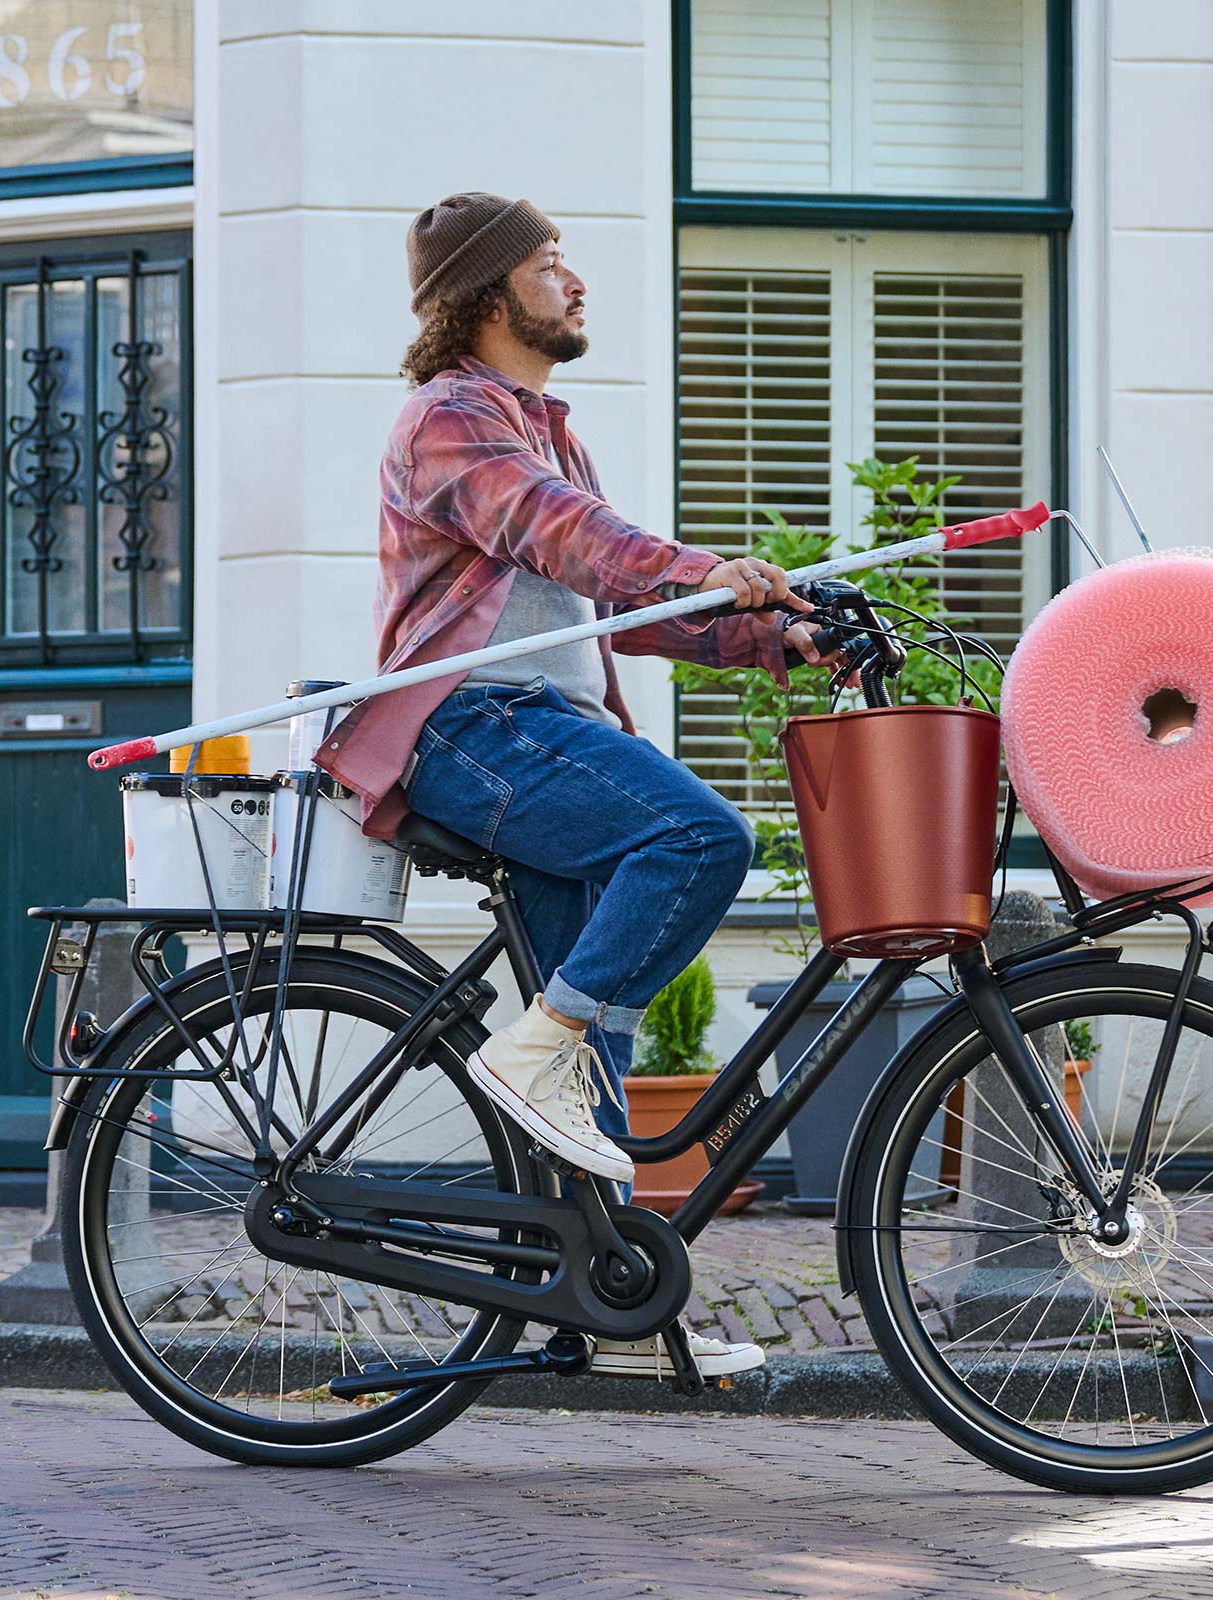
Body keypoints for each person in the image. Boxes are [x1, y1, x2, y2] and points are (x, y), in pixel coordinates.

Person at [311, 192, 841, 1382]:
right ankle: (530, 1048)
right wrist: (710, 567)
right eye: (551, 263)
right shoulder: (448, 420)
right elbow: (565, 535)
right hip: (470, 726)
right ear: (489, 292)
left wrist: (772, 635)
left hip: (538, 725)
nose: (575, 280)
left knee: (585, 1046)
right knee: (698, 839)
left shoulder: (547, 426)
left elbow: (621, 604)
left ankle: (602, 1314)